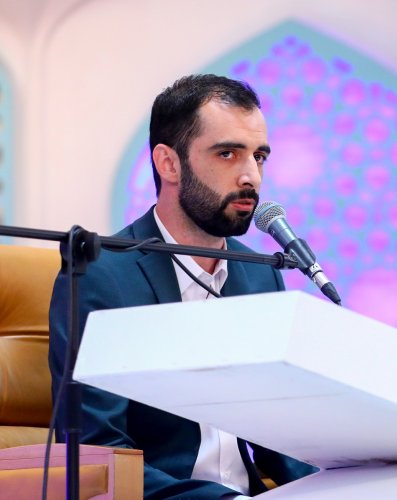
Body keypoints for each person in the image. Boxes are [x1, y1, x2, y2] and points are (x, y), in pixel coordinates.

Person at [49, 74, 315, 499]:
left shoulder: (261, 276)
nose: (251, 176)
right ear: (168, 163)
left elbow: (282, 438)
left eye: (259, 156)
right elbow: (98, 452)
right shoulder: (101, 276)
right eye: (227, 153)